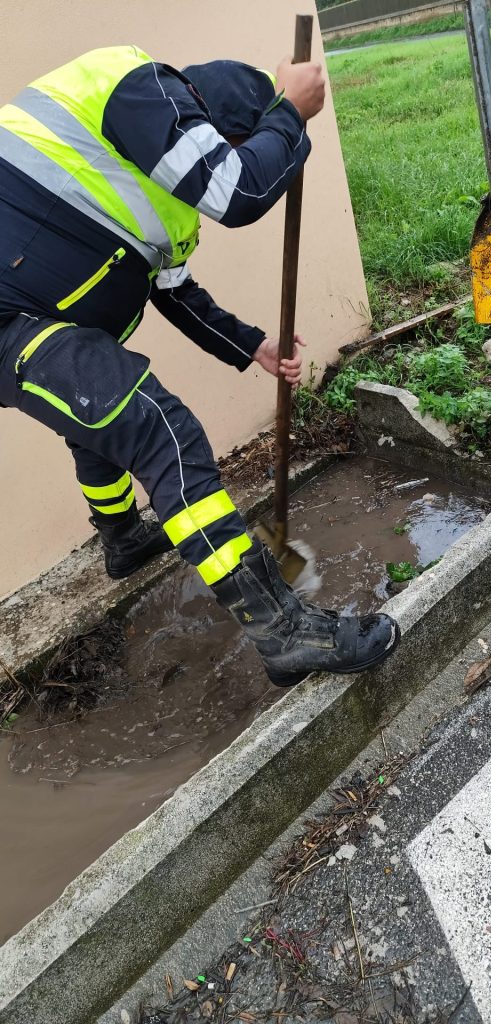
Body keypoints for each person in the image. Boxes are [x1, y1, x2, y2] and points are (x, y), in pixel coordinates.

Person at [0, 45, 400, 687]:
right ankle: (284, 631)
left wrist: (254, 347)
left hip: (42, 318)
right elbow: (238, 189)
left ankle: (124, 538)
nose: (227, 156)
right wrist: (291, 116)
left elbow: (176, 293)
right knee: (161, 428)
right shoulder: (136, 86)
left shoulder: (154, 192)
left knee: (97, 418)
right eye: (233, 143)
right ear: (208, 126)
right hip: (9, 316)